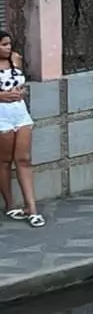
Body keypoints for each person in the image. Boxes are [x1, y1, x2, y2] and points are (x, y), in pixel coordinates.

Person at [0, 29, 43, 228]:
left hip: (20, 112)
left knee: (24, 159)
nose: (8, 48)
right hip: (2, 116)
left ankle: (31, 207)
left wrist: (21, 92)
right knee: (5, 161)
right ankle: (10, 204)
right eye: (3, 45)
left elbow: (21, 82)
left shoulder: (15, 59)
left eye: (9, 44)